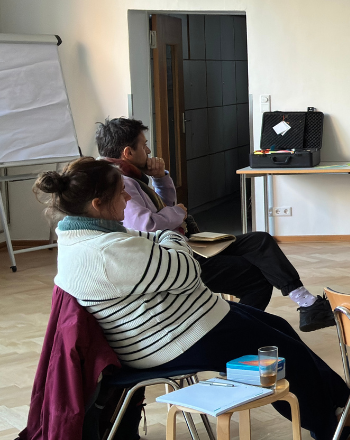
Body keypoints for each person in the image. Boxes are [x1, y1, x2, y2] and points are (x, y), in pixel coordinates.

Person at [34, 158, 350, 440]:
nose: (127, 200)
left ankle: (341, 402)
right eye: (121, 194)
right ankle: (330, 425)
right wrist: (171, 237)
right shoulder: (105, 251)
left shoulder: (85, 236)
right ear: (98, 204)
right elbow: (187, 270)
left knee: (276, 326)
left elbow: (151, 244)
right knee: (277, 352)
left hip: (178, 324)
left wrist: (164, 241)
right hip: (171, 340)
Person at [94, 118, 334, 332]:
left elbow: (162, 207)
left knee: (260, 241)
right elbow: (148, 225)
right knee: (257, 275)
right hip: (176, 257)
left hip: (185, 244)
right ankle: (235, 333)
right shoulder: (121, 181)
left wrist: (161, 178)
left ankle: (307, 303)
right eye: (144, 145)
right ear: (128, 152)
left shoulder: (131, 176)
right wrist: (177, 213)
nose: (148, 150)